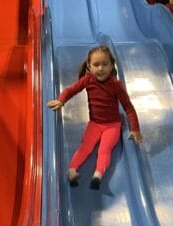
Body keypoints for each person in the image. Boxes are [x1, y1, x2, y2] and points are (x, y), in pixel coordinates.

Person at [47, 45, 142, 190]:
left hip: (112, 125)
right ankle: (72, 170)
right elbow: (70, 90)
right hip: (95, 123)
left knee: (104, 149)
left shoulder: (116, 85)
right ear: (89, 66)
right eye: (96, 65)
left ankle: (97, 175)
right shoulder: (88, 80)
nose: (100, 68)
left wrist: (135, 129)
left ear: (111, 66)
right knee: (85, 146)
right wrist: (61, 100)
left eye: (105, 64)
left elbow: (128, 107)